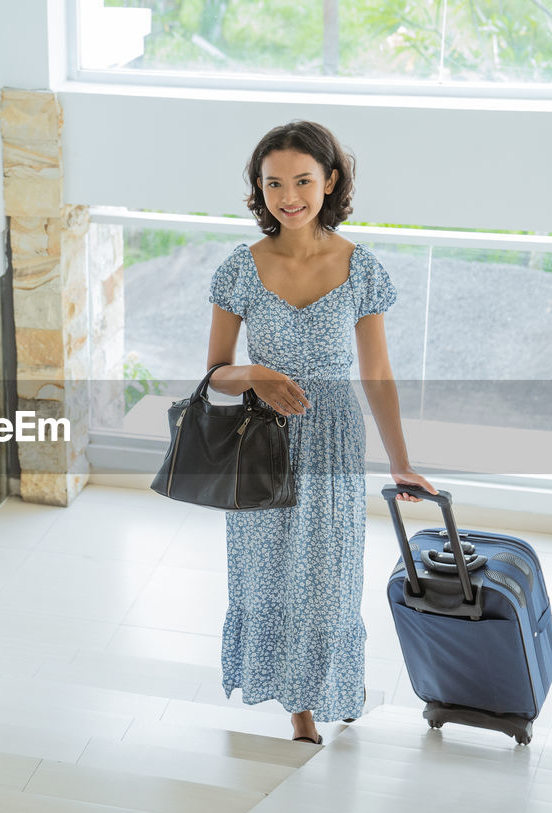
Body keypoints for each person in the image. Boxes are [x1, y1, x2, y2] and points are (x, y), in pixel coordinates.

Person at [205, 120, 437, 745]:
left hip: (333, 439)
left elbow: (378, 373)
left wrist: (400, 462)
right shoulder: (240, 269)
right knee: (268, 575)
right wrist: (253, 373)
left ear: (329, 181)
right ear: (259, 188)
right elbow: (214, 377)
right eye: (274, 182)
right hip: (263, 442)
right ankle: (299, 709)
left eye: (303, 181)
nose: (289, 196)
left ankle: (330, 683)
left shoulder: (360, 268)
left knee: (329, 578)